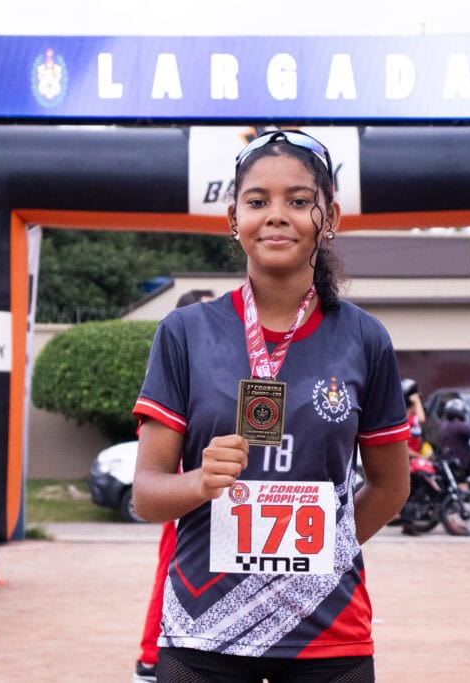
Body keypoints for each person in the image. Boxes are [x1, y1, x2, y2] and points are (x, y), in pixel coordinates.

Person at [132, 129, 410, 682]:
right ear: (233, 218)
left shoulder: (365, 339)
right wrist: (200, 483)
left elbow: (390, 486)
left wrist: (324, 549)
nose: (277, 215)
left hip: (327, 635)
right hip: (203, 633)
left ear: (328, 217)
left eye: (299, 201)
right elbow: (146, 494)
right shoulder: (185, 334)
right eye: (258, 201)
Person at [134, 289, 217, 683]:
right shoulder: (178, 356)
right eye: (206, 308)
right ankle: (151, 656)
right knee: (172, 568)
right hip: (186, 494)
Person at [401, 378, 426, 456]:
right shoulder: (408, 419)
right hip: (410, 460)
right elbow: (422, 419)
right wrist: (416, 401)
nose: (419, 407)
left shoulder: (411, 419)